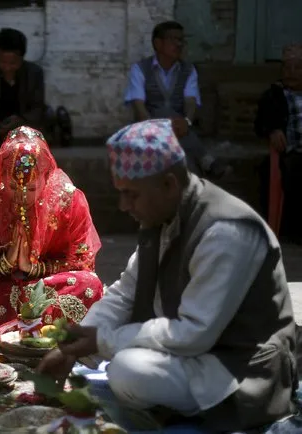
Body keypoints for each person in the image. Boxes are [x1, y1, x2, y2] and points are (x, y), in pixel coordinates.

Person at [37, 119, 298, 432]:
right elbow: (125, 292)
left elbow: (193, 333)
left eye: (131, 195)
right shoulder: (164, 215)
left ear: (169, 184)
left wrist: (101, 340)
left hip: (242, 366)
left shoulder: (226, 232)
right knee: (123, 362)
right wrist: (72, 346)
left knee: (127, 369)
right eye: (120, 193)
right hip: (198, 354)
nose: (123, 206)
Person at [0, 126, 103, 333]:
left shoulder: (69, 200)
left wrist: (34, 269)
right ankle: (35, 324)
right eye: (13, 187)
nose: (21, 196)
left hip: (45, 288)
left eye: (31, 188)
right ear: (2, 176)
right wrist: (2, 264)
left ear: (47, 177)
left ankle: (12, 324)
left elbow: (81, 263)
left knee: (89, 284)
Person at [124, 21, 230, 179]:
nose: (179, 44)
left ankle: (194, 179)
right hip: (148, 129)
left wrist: (186, 122)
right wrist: (162, 128)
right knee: (162, 111)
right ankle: (206, 161)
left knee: (183, 155)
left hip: (180, 130)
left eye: (181, 40)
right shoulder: (139, 69)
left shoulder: (188, 70)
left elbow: (191, 101)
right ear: (157, 43)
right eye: (173, 40)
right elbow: (139, 108)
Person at [255, 43, 302, 244]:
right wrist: (272, 130)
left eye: (297, 67)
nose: (290, 73)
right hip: (292, 152)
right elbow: (260, 123)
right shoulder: (274, 95)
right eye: (286, 68)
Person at [0, 28, 46, 152]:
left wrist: (18, 122)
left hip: (24, 129)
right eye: (2, 62)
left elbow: (38, 108)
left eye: (13, 63)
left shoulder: (34, 74)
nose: (7, 68)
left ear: (22, 58)